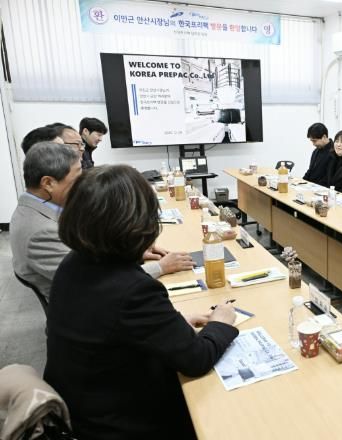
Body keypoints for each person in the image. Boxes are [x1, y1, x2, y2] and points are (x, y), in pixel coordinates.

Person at [44, 165, 238, 439]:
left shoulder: (74, 262)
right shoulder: (134, 290)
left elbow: (112, 323)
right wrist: (221, 322)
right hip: (120, 423)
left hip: (82, 406)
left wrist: (172, 325)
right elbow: (196, 359)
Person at [9, 142, 193, 301]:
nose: (85, 183)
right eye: (78, 177)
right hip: (90, 312)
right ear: (48, 183)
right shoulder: (39, 232)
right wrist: (160, 267)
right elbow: (97, 283)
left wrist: (130, 251)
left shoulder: (42, 210)